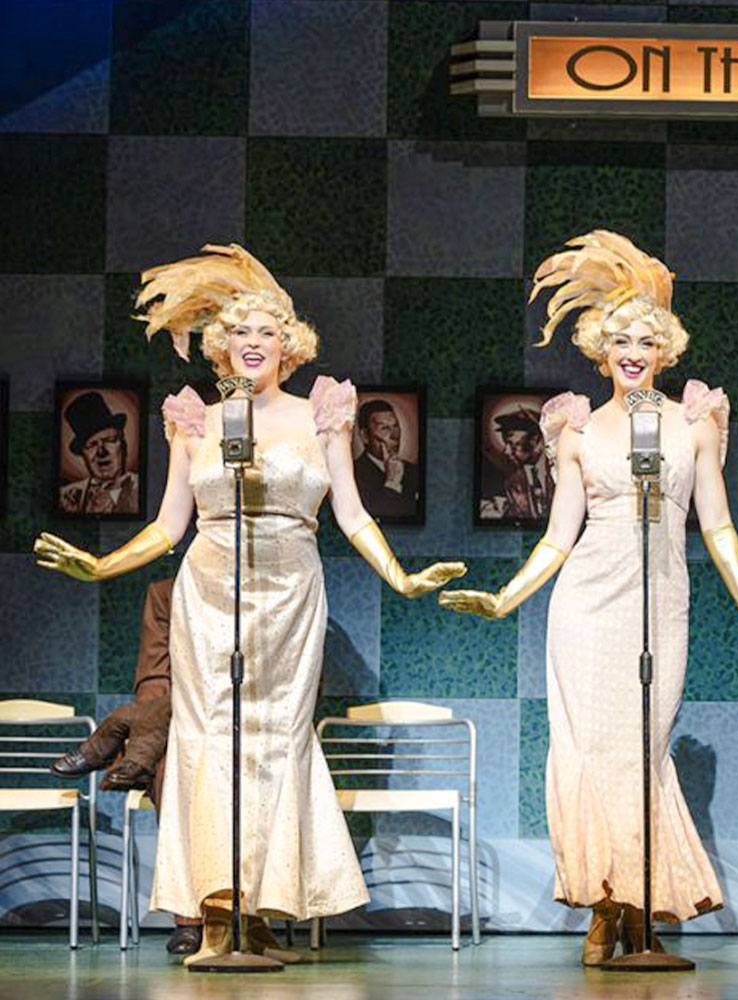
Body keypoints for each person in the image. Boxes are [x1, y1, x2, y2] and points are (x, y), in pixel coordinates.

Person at [33, 244, 466, 965]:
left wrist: (400, 576)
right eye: (240, 331)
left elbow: (353, 514)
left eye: (266, 330)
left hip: (290, 593)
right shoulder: (196, 421)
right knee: (209, 740)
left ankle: (259, 910)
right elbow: (168, 526)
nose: (253, 342)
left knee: (276, 742)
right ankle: (214, 911)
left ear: (288, 345)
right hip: (209, 590)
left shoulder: (322, 416)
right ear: (222, 346)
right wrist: (101, 564)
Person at [439, 230, 738, 965]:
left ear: (666, 349)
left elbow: (717, 523)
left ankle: (635, 905)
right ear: (600, 349)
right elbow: (558, 537)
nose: (633, 351)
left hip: (662, 600)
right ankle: (609, 909)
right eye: (621, 340)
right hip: (586, 606)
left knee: (643, 751)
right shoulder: (578, 430)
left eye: (646, 339)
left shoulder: (694, 422)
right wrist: (506, 598)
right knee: (588, 751)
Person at [50, 578, 207, 955]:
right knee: (170, 769)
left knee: (168, 731)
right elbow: (155, 678)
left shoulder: (270, 590)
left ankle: (116, 734)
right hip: (181, 726)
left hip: (250, 718)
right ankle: (189, 917)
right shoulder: (167, 593)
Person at [59, 391, 140, 514]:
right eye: (91, 445)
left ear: (123, 444)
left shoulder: (141, 489)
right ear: (83, 454)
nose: (101, 452)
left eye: (108, 440)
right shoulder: (65, 497)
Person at [479, 406, 552, 522]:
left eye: (512, 444)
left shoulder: (561, 471)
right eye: (505, 444)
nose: (506, 451)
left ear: (535, 439)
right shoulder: (512, 484)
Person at [352, 398, 421, 519]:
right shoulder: (352, 474)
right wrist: (392, 482)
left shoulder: (413, 470)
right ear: (365, 436)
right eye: (385, 428)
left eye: (396, 426)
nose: (395, 435)